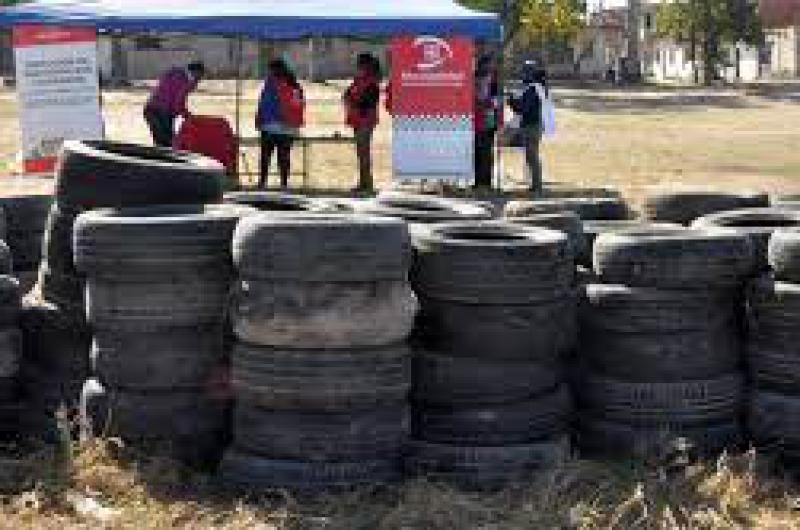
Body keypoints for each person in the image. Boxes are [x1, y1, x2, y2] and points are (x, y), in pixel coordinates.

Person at [255, 59, 305, 189]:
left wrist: (259, 118)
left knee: (266, 156)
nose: (269, 72)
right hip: (288, 127)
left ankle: (262, 182)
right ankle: (283, 183)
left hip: (270, 125)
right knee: (284, 157)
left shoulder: (271, 83)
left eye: (271, 70)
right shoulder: (294, 84)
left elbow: (263, 103)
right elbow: (300, 104)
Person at [509, 60, 550, 196]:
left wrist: (512, 101)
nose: (523, 75)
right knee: (530, 156)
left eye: (525, 72)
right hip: (532, 125)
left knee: (532, 156)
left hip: (531, 126)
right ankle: (535, 184)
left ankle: (537, 186)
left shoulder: (534, 89)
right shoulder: (536, 88)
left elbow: (523, 108)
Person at [144, 61, 205, 147]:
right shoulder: (185, 80)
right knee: (168, 143)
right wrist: (187, 116)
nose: (200, 79)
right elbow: (178, 102)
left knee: (162, 142)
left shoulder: (174, 72)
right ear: (196, 72)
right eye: (200, 76)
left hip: (151, 109)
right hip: (161, 111)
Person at [344, 53, 381, 192]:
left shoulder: (372, 82)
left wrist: (353, 101)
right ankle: (364, 182)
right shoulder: (358, 80)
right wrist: (351, 99)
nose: (358, 66)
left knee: (364, 153)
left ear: (366, 65)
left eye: (360, 64)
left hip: (365, 120)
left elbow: (368, 102)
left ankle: (367, 183)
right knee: (361, 153)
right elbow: (347, 94)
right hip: (357, 120)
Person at [474, 55, 500, 189]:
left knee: (485, 152)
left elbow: (496, 101)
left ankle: (485, 182)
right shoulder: (478, 78)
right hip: (479, 120)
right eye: (488, 65)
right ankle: (480, 181)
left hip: (488, 120)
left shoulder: (494, 80)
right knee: (479, 152)